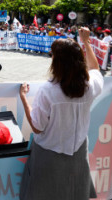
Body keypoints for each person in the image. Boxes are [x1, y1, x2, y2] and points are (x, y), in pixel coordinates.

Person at [19, 27, 103, 200]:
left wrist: (23, 98)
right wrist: (86, 42)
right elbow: (95, 68)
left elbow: (37, 127)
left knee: (44, 194)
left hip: (49, 153)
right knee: (74, 193)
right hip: (78, 150)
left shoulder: (48, 90)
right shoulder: (90, 86)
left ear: (56, 62)